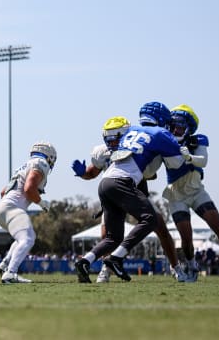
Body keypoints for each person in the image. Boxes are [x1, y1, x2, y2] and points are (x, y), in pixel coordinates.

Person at [71, 104, 185, 282]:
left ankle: (85, 261)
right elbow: (176, 163)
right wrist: (182, 152)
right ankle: (115, 258)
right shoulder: (158, 133)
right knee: (150, 219)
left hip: (106, 184)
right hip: (122, 183)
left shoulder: (131, 132)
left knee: (112, 237)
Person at [163, 104, 219, 281]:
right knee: (186, 238)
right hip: (176, 194)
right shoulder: (164, 141)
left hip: (196, 191)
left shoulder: (197, 140)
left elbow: (203, 161)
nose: (177, 129)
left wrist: (188, 157)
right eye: (174, 125)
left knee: (218, 227)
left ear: (188, 127)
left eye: (181, 126)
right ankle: (191, 267)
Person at [0, 141, 57, 284]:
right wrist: (41, 202)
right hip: (12, 208)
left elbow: (3, 191)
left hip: (1, 209)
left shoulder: (23, 166)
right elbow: (29, 189)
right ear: (50, 156)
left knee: (21, 238)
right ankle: (10, 273)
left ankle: (5, 264)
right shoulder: (41, 163)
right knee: (28, 239)